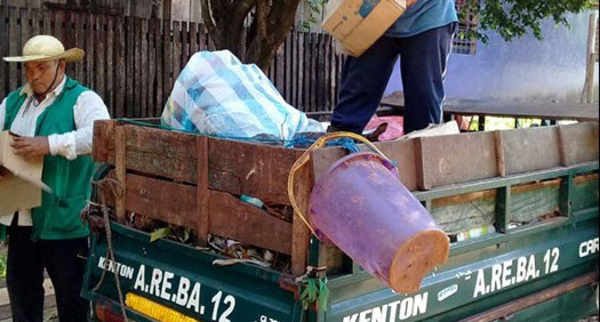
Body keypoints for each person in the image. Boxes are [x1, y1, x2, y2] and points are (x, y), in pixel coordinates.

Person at [0, 35, 110, 321]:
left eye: (42, 68)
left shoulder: (82, 99)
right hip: (21, 217)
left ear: (61, 66)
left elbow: (100, 135)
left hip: (65, 219)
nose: (34, 76)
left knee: (71, 300)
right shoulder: (14, 102)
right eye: (29, 69)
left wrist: (49, 144)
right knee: (22, 294)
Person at [329, 0, 458, 135]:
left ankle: (423, 148)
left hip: (430, 16)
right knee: (358, 90)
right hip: (374, 15)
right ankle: (337, 143)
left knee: (424, 100)